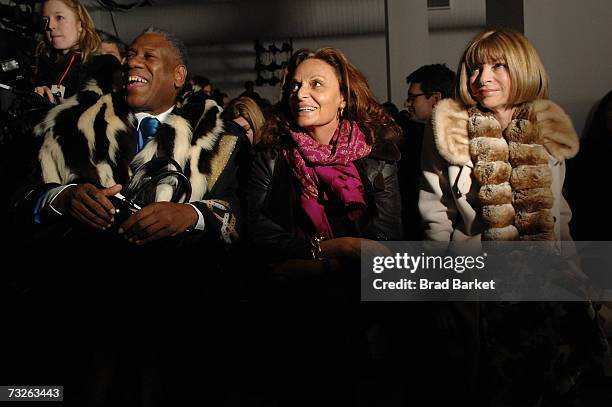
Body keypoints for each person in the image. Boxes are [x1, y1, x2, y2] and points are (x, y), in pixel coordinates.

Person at [14, 26, 242, 405]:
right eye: (129, 56)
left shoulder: (220, 138)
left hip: (176, 321)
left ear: (178, 76)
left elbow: (237, 215)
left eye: (148, 56)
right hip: (81, 314)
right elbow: (22, 200)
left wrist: (188, 214)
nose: (132, 62)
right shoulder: (70, 127)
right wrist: (65, 197)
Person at [419, 29, 605, 406]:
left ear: (522, 68)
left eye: (498, 66)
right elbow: (436, 215)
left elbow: (559, 211)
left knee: (558, 382)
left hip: (546, 282)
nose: (482, 78)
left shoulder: (546, 124)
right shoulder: (448, 126)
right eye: (475, 68)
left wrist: (577, 278)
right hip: (484, 285)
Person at [246, 47, 402, 405]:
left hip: (364, 312)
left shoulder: (378, 155)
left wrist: (307, 265)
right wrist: (339, 248)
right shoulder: (271, 153)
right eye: (296, 85)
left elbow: (384, 242)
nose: (301, 93)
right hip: (290, 313)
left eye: (316, 84)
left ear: (343, 99)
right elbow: (260, 234)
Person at [400, 63, 455, 240]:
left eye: (413, 98)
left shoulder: (452, 140)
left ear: (436, 99)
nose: (407, 103)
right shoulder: (421, 131)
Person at [34, 0, 102, 103]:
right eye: (45, 20)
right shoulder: (43, 66)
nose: (50, 26)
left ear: (80, 24)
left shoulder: (102, 65)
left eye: (59, 17)